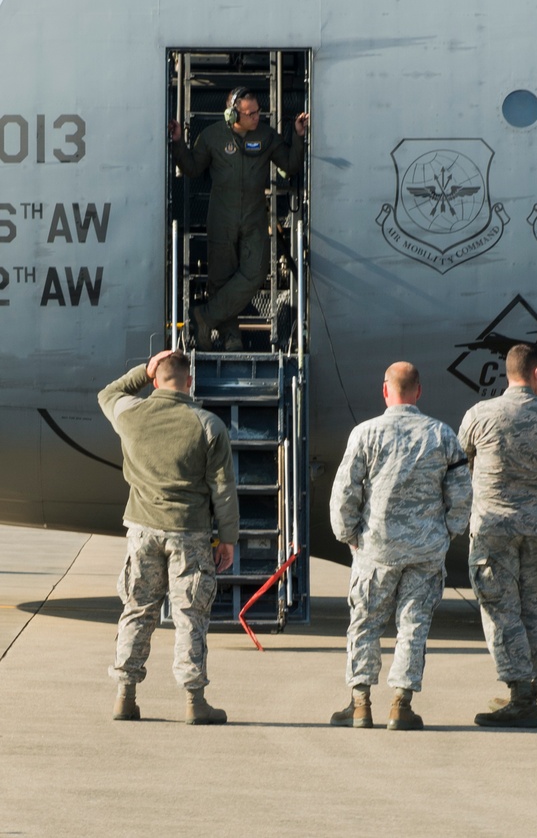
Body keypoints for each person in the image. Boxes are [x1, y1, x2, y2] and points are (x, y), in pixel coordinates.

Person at [98, 348, 238, 724]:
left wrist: (141, 372)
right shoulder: (209, 425)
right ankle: (195, 702)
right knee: (190, 615)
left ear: (156, 380)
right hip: (189, 534)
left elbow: (107, 395)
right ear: (189, 381)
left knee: (137, 610)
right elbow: (223, 489)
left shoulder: (131, 414)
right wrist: (228, 538)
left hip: (142, 530)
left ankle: (124, 697)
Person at [329, 361, 472, 731]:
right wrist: (447, 533)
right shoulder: (442, 435)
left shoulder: (365, 434)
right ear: (419, 392)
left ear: (385, 390)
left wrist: (349, 535)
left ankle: (360, 705)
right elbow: (461, 495)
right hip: (425, 551)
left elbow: (346, 491)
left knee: (364, 624)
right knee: (414, 625)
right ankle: (401, 705)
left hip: (376, 550)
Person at [458, 342, 537, 729]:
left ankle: (520, 696)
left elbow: (465, 460)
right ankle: (529, 691)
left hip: (493, 528)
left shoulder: (480, 414)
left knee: (501, 608)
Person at [169, 86, 308, 350]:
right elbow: (192, 168)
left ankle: (204, 317)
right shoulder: (211, 137)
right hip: (222, 214)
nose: (256, 117)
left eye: (257, 112)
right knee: (221, 278)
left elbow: (289, 166)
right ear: (232, 115)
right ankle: (231, 336)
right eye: (250, 113)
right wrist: (178, 143)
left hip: (254, 215)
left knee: (255, 273)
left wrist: (299, 137)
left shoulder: (266, 136)